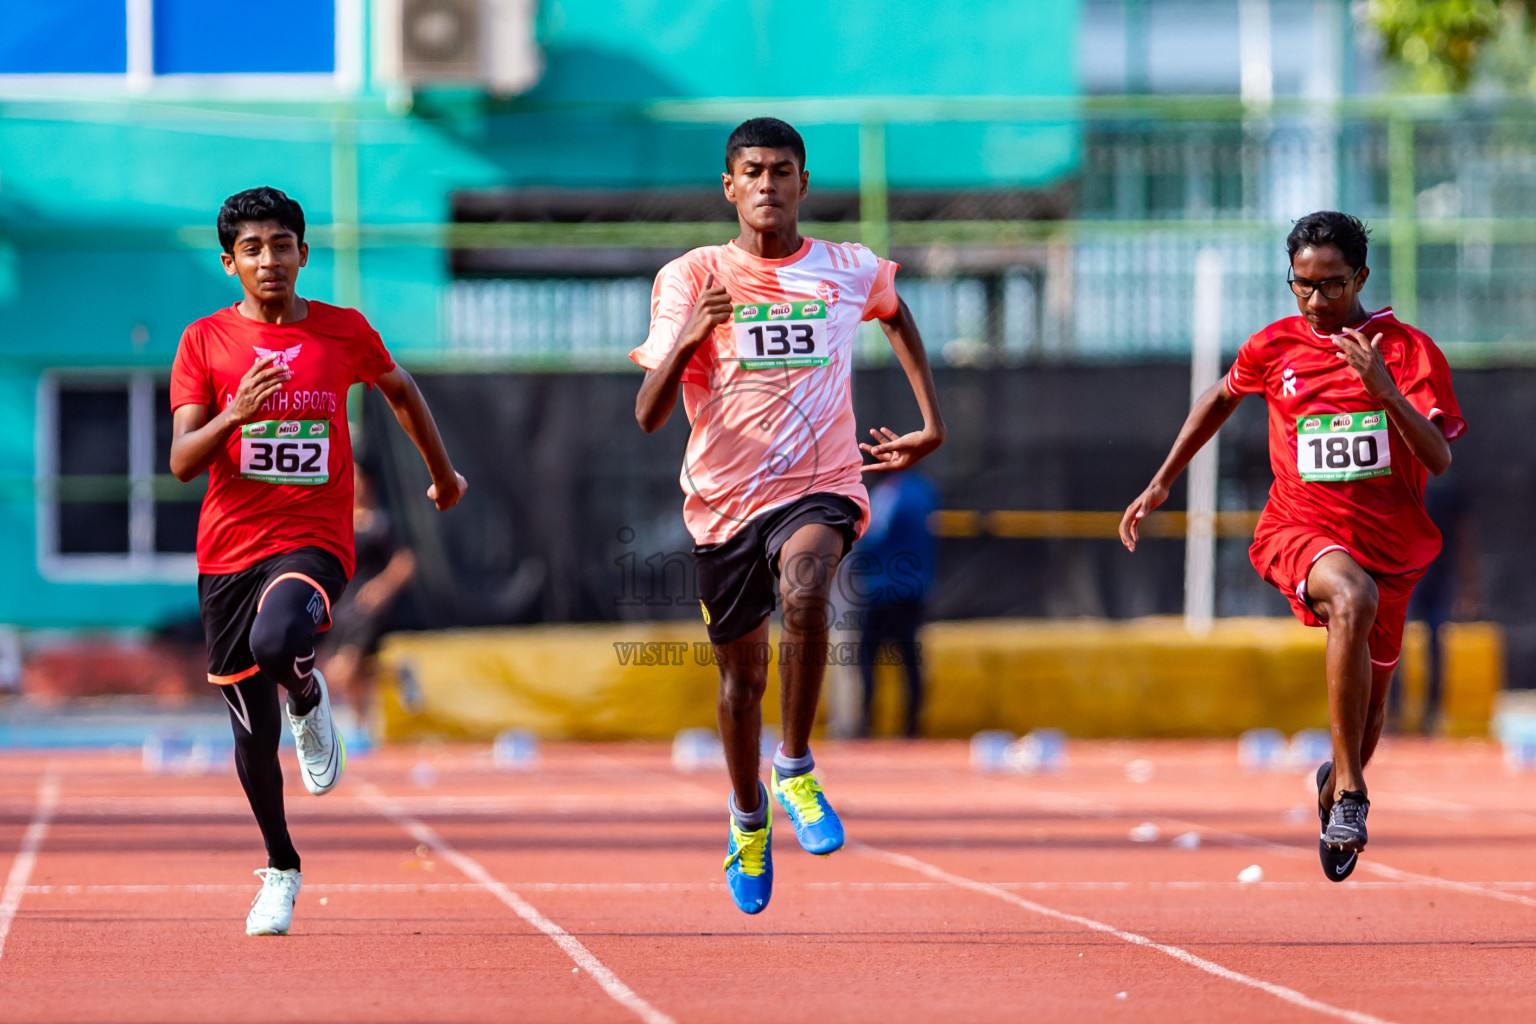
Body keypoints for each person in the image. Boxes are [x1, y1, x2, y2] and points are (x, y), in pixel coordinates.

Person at [631, 118, 945, 914]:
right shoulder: (691, 276)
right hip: (724, 503)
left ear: (803, 183)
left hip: (821, 482)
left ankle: (797, 765)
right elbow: (646, 414)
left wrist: (930, 420)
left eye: (782, 171)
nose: (768, 185)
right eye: (753, 172)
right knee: (742, 681)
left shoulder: (847, 267)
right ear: (729, 186)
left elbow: (896, 312)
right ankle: (747, 818)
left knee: (808, 589)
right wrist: (692, 337)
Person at [1120, 211, 1464, 883]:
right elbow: (1221, 396)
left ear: (1360, 277)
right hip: (1300, 529)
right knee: (1348, 596)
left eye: (1330, 287)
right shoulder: (1275, 346)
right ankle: (1356, 797)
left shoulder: (1407, 352)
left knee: (1369, 713)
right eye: (1300, 286)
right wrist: (1164, 480)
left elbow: (1440, 458)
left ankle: (1337, 779)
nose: (1314, 302)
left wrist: (1383, 391)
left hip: (1392, 545)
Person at [169, 187, 466, 936]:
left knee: (278, 643)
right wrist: (235, 415)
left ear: (304, 253)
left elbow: (401, 391)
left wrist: (442, 472)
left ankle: (306, 692)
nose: (269, 260)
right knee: (248, 734)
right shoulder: (204, 342)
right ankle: (281, 867)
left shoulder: (342, 333)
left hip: (313, 540)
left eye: (282, 245)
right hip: (227, 553)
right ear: (230, 262)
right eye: (253, 249)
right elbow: (180, 461)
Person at [321, 462, 418, 723]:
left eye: (357, 478)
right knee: (359, 672)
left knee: (342, 670)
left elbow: (405, 563)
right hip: (340, 607)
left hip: (365, 609)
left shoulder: (379, 524)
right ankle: (364, 722)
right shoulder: (337, 521)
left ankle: (359, 723)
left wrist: (382, 587)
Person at [851, 469, 939, 738]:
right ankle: (911, 726)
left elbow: (875, 536)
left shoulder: (888, 493)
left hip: (882, 590)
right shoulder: (925, 490)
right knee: (910, 660)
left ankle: (867, 723)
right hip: (914, 588)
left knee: (867, 658)